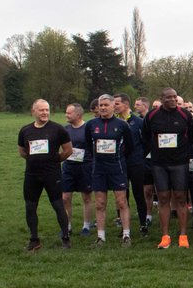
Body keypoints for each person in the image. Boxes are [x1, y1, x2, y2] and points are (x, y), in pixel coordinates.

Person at [142, 87, 193, 249]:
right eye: (169, 97)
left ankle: (183, 235)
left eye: (175, 97)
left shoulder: (185, 115)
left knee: (181, 198)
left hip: (179, 163)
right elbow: (145, 137)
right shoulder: (152, 116)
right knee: (163, 198)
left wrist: (183, 153)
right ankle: (165, 236)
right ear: (162, 99)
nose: (172, 100)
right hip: (159, 164)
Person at [17, 99, 73, 250]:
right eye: (41, 110)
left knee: (58, 205)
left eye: (47, 110)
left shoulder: (58, 129)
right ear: (33, 111)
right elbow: (22, 151)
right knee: (30, 207)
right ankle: (34, 239)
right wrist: (33, 160)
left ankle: (66, 237)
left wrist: (55, 160)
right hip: (32, 175)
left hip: (52, 174)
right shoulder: (25, 130)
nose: (45, 113)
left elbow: (68, 150)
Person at [83, 93, 134, 246]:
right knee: (100, 203)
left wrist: (117, 157)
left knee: (121, 202)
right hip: (98, 169)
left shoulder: (122, 125)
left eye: (106, 105)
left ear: (113, 106)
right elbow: (89, 146)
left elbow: (129, 147)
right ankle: (101, 237)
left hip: (117, 168)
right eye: (101, 105)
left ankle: (126, 235)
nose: (103, 108)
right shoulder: (91, 125)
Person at [114, 93, 150, 235]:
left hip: (136, 163)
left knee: (138, 194)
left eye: (117, 103)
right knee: (122, 196)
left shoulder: (138, 122)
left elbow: (147, 143)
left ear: (126, 104)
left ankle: (143, 225)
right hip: (119, 164)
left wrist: (139, 156)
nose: (114, 106)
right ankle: (125, 227)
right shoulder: (114, 122)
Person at [61, 103, 95, 236]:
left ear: (78, 114)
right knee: (65, 197)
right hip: (69, 167)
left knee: (86, 197)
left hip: (85, 167)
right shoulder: (65, 129)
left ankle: (86, 226)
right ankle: (67, 226)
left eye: (69, 113)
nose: (66, 115)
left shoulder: (88, 128)